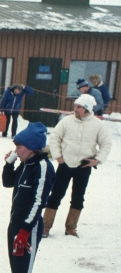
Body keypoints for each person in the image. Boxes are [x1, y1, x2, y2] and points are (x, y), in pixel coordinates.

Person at [0, 122, 55, 273]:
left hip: (28, 229)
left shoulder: (42, 167)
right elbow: (7, 182)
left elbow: (39, 202)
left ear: (32, 147)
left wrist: (24, 231)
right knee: (16, 272)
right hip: (15, 226)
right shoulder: (25, 163)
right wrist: (10, 162)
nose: (17, 150)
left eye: (19, 147)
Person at [42, 93, 111, 237]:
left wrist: (97, 160)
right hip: (65, 164)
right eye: (75, 106)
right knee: (55, 195)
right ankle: (45, 227)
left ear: (87, 108)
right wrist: (58, 156)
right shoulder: (66, 121)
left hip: (83, 167)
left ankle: (71, 228)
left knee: (78, 197)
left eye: (79, 107)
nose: (76, 109)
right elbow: (55, 137)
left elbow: (106, 144)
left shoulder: (98, 125)